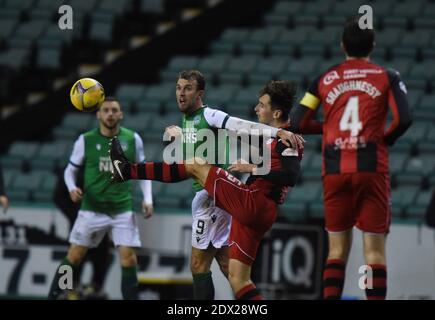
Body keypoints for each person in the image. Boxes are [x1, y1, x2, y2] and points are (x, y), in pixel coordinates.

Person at [109, 80, 304, 300]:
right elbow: (230, 136)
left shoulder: (287, 139)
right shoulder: (272, 138)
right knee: (238, 278)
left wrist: (253, 167)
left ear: (276, 113)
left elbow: (292, 176)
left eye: (261, 105)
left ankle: (127, 170)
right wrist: (184, 136)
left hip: (254, 202)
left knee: (194, 165)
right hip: (257, 209)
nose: (256, 109)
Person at [289, 17, 412, 300]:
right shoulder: (387, 76)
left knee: (336, 251)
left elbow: (296, 122)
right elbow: (404, 119)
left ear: (342, 45)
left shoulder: (324, 79)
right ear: (373, 45)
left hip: (334, 168)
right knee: (374, 252)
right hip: (371, 167)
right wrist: (387, 138)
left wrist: (330, 127)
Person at [48, 97, 153, 300]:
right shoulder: (85, 140)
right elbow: (70, 171)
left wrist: (147, 199)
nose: (110, 114)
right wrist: (71, 188)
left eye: (114, 110)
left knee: (128, 259)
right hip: (91, 210)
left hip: (122, 210)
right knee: (74, 256)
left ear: (121, 114)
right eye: (106, 110)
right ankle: (54, 295)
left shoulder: (133, 139)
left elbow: (143, 172)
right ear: (98, 114)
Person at [171, 70, 231, 300]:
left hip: (211, 198)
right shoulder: (187, 119)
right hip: (213, 197)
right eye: (178, 87)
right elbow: (193, 159)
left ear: (200, 93)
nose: (181, 93)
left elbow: (236, 126)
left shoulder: (209, 115)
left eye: (187, 88)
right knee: (229, 268)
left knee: (198, 265)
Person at [53, 166, 111, 299]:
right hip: (79, 226)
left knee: (101, 260)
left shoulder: (105, 167)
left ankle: (96, 290)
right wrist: (75, 214)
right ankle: (68, 291)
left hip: (101, 225)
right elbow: (58, 196)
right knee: (75, 259)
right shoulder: (71, 169)